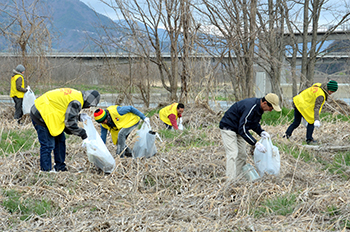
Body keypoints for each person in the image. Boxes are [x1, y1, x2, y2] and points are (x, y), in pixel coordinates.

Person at [30, 88, 100, 172]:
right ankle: (46, 171)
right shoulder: (76, 102)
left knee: (60, 141)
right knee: (48, 144)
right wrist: (83, 134)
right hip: (41, 114)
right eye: (90, 105)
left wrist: (77, 117)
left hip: (49, 113)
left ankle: (60, 168)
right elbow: (69, 124)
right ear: (88, 101)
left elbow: (63, 111)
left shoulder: (77, 96)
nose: (88, 107)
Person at [219, 93, 281, 180]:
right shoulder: (250, 107)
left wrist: (261, 131)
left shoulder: (259, 109)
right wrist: (255, 143)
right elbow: (242, 128)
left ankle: (238, 178)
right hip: (228, 127)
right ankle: (229, 181)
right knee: (233, 153)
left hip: (238, 129)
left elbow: (253, 123)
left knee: (242, 155)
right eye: (271, 108)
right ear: (264, 103)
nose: (271, 110)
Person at [284, 80, 338, 144]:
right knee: (311, 121)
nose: (331, 93)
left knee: (296, 122)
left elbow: (305, 90)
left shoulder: (318, 85)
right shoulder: (321, 95)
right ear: (328, 88)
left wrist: (299, 95)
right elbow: (316, 108)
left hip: (297, 102)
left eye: (333, 92)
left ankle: (286, 136)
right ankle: (309, 139)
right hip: (302, 105)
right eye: (331, 91)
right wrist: (316, 119)